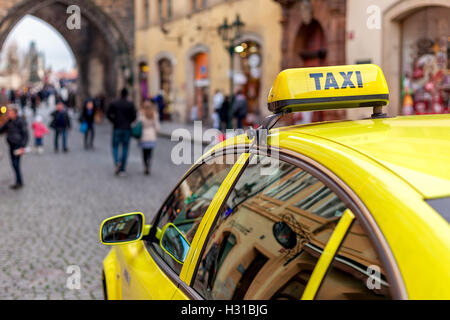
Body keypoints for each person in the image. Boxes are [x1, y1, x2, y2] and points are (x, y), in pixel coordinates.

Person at [107, 88, 137, 176]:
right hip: (127, 128)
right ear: (127, 94)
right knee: (125, 148)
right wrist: (129, 122)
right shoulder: (130, 104)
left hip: (117, 127)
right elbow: (134, 116)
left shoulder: (115, 103)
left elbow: (108, 114)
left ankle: (117, 162)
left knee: (115, 146)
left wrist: (114, 121)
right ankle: (122, 168)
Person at [0, 105, 29, 189]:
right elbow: (1, 130)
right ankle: (18, 181)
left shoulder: (20, 121)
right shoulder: (9, 121)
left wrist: (23, 146)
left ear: (15, 113)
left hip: (18, 145)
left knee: (16, 164)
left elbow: (26, 135)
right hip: (11, 145)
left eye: (10, 112)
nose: (8, 114)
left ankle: (19, 182)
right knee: (14, 164)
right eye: (8, 112)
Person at [139, 100, 160, 175]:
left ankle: (145, 165)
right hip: (151, 136)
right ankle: (149, 164)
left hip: (143, 136)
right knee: (150, 153)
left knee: (144, 152)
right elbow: (157, 126)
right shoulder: (154, 114)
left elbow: (138, 124)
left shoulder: (141, 114)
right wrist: (157, 132)